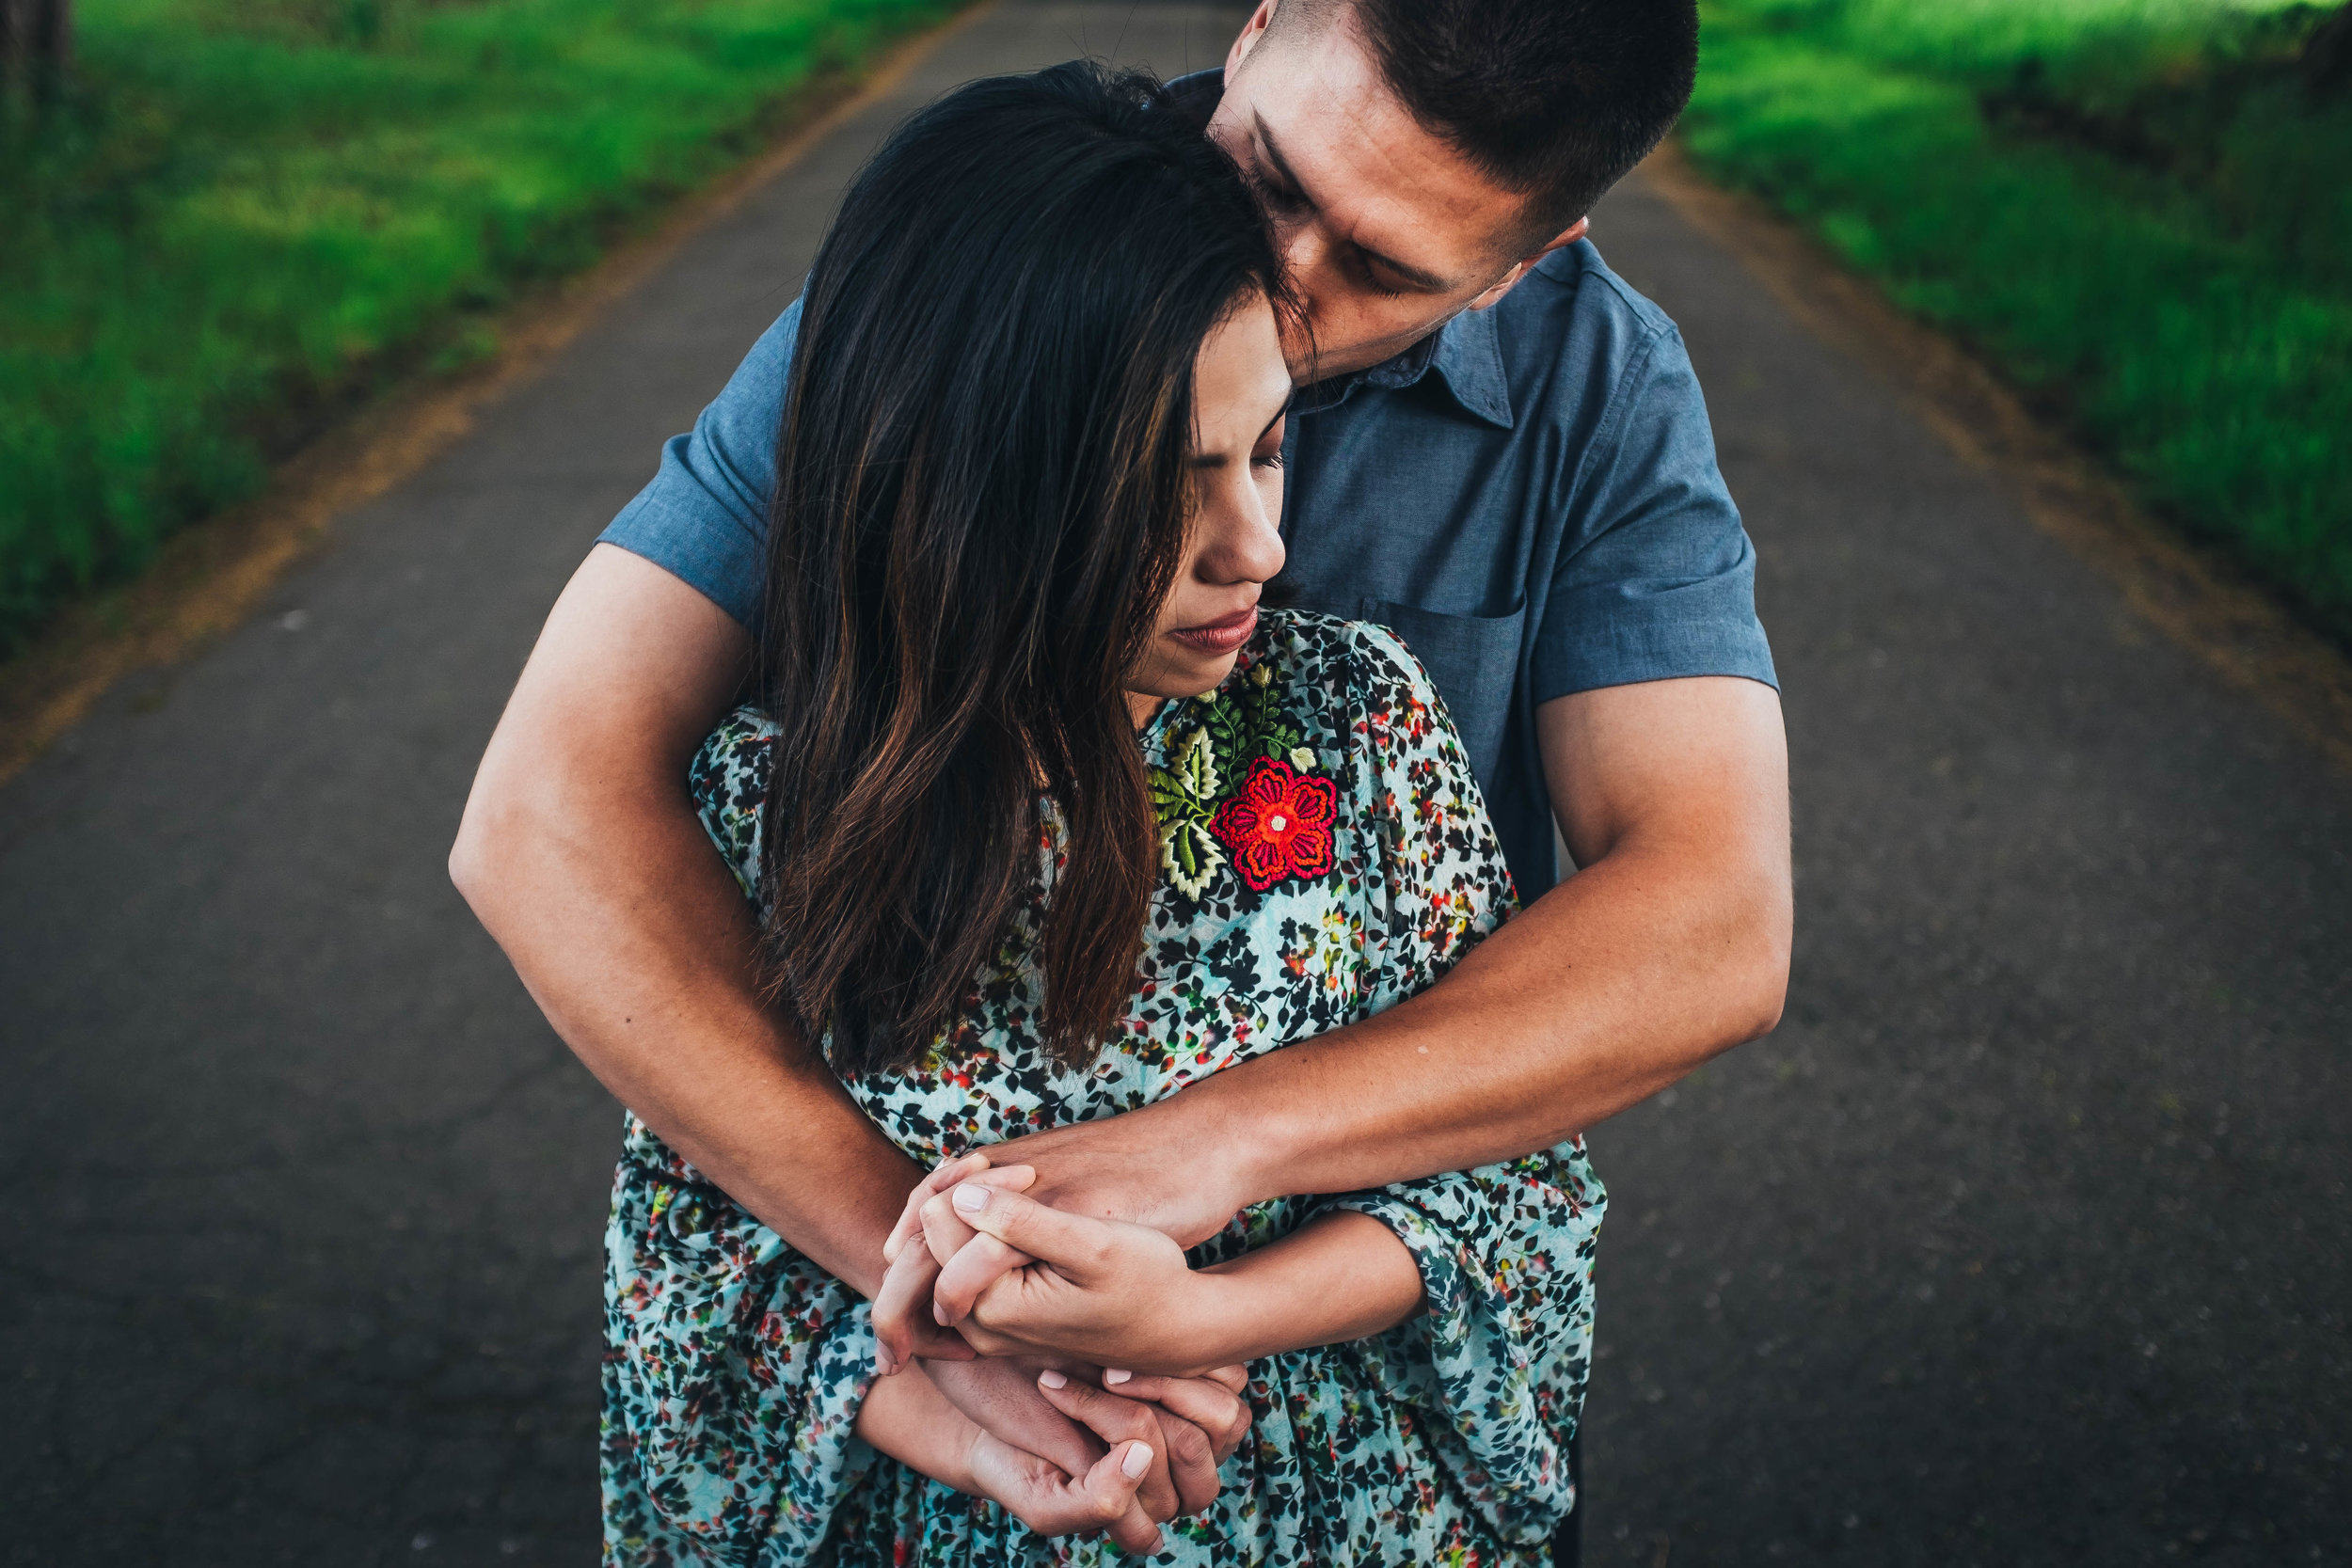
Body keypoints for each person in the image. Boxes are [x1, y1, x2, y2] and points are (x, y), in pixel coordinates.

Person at [453, 0, 1791, 1555]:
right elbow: (549, 803)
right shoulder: (999, 267)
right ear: (1266, 20)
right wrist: (951, 1285)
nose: (1281, 295)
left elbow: (1712, 925)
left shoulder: (1594, 402)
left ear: (1529, 256)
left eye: (1381, 274)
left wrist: (1216, 1154)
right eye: (1274, 181)